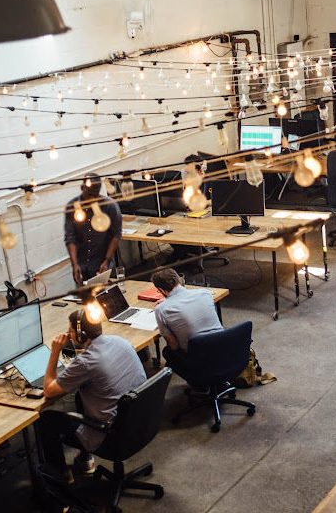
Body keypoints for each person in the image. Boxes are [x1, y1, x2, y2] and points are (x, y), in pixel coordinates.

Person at [40, 309, 146, 481]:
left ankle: (61, 478)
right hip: (140, 423)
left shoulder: (87, 362)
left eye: (71, 331)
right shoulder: (119, 341)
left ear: (81, 335)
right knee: (80, 395)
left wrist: (54, 352)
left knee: (47, 420)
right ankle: (84, 459)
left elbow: (49, 390)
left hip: (112, 436)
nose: (68, 334)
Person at [151, 268, 222, 379]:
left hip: (198, 356)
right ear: (179, 280)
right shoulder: (205, 293)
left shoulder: (161, 309)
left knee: (168, 352)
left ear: (161, 290)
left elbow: (174, 346)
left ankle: (199, 383)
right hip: (223, 347)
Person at [64, 172, 122, 285]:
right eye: (89, 194)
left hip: (102, 263)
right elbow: (70, 238)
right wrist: (74, 264)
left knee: (108, 296)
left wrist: (106, 260)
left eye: (95, 195)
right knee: (84, 298)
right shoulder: (72, 207)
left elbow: (116, 235)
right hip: (82, 264)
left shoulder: (110, 206)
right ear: (82, 188)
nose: (92, 198)